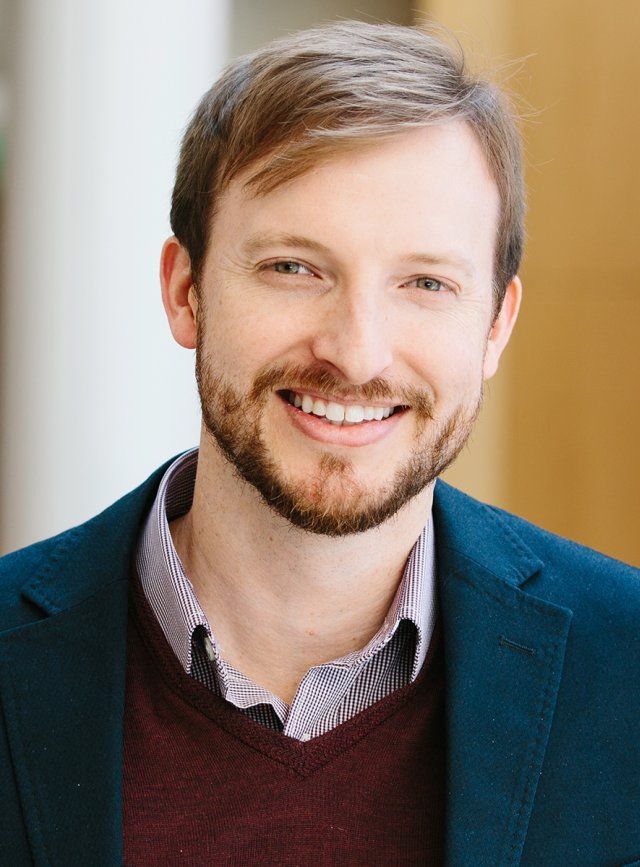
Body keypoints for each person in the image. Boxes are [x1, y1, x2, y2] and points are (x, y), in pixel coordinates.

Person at [1, 20, 638, 866]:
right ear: (186, 290)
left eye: (425, 283)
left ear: (494, 325)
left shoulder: (624, 666)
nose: (357, 351)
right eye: (294, 268)